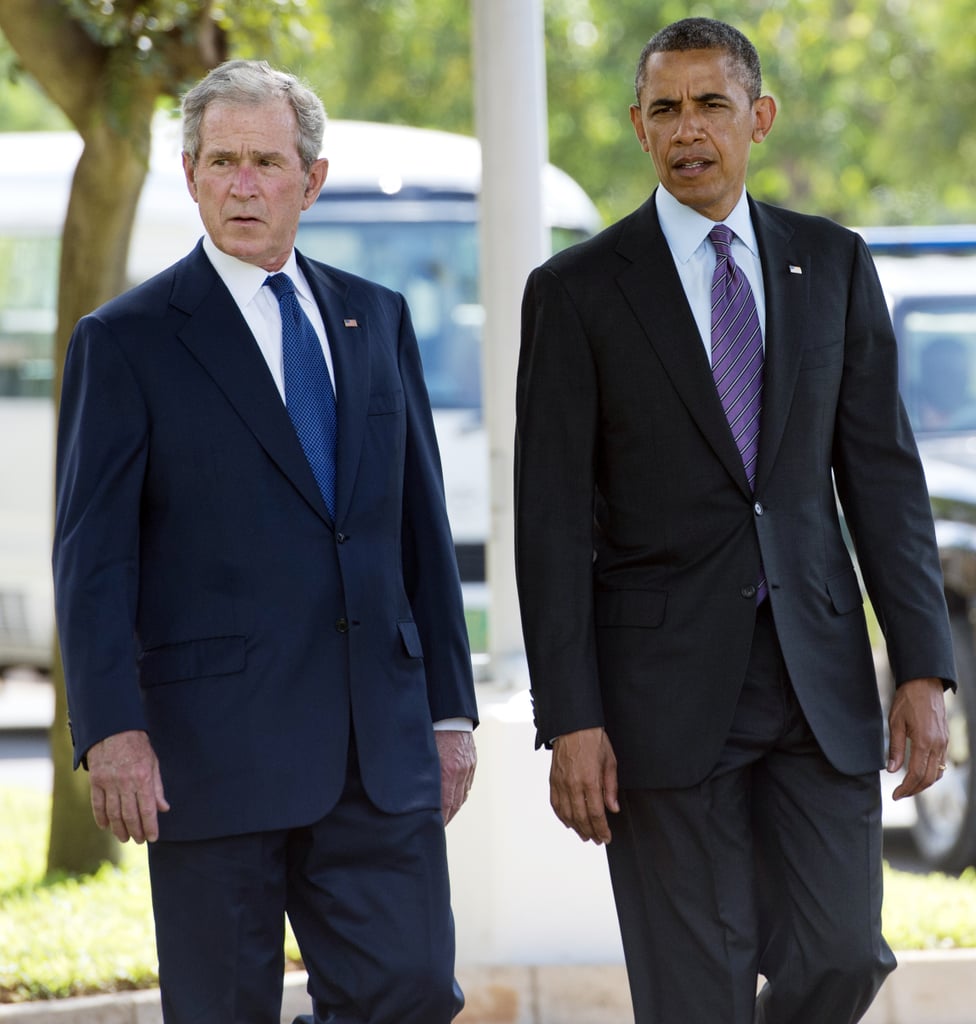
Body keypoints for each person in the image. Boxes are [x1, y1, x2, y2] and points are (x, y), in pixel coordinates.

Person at [514, 17, 955, 1024]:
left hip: (818, 681)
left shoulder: (832, 263)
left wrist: (924, 668)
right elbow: (548, 523)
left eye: (710, 104)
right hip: (659, 699)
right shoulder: (576, 292)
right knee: (693, 991)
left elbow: (882, 477)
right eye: (664, 109)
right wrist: (569, 717)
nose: (687, 129)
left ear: (756, 118)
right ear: (637, 127)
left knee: (842, 952)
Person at [53, 60, 478, 1024]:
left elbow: (420, 528)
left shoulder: (379, 319)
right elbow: (94, 556)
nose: (245, 184)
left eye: (267, 163)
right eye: (223, 162)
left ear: (312, 179)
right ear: (194, 177)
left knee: (412, 992)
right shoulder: (127, 340)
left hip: (380, 751)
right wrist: (112, 730)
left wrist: (450, 711)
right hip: (212, 757)